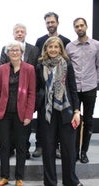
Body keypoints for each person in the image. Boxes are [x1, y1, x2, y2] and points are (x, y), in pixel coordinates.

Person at [36, 36, 83, 186]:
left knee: (68, 149)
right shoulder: (40, 65)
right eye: (50, 47)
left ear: (61, 49)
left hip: (66, 111)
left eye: (56, 47)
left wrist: (76, 110)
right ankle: (50, 182)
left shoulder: (67, 64)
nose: (53, 50)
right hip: (47, 112)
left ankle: (71, 181)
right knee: (48, 149)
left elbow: (73, 89)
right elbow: (38, 88)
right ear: (46, 49)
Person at [0, 41, 36, 186]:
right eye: (11, 50)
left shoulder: (29, 69)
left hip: (21, 114)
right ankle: (4, 176)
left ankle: (19, 178)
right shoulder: (2, 69)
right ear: (7, 53)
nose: (14, 52)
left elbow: (31, 93)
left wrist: (29, 114)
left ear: (21, 52)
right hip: (4, 113)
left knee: (21, 146)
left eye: (17, 50)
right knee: (4, 146)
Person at [33, 12, 71, 158]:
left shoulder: (66, 41)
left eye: (52, 22)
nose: (50, 25)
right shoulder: (40, 40)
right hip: (44, 91)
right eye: (48, 22)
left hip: (60, 91)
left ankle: (56, 147)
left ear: (57, 23)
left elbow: (66, 63)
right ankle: (40, 146)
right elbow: (39, 64)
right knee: (42, 121)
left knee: (57, 121)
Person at [0, 23, 39, 159]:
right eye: (17, 31)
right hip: (9, 95)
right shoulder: (6, 49)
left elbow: (36, 72)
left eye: (22, 31)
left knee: (24, 125)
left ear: (26, 33)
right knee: (9, 127)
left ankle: (24, 148)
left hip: (26, 95)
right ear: (13, 33)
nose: (20, 33)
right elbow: (3, 68)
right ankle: (10, 148)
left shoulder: (34, 50)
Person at [66, 17, 99, 164]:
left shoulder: (96, 45)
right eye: (77, 26)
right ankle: (74, 152)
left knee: (89, 120)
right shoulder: (69, 47)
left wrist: (95, 82)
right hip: (74, 90)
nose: (79, 28)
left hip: (90, 88)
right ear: (74, 29)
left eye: (81, 25)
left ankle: (84, 152)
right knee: (74, 120)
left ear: (86, 26)